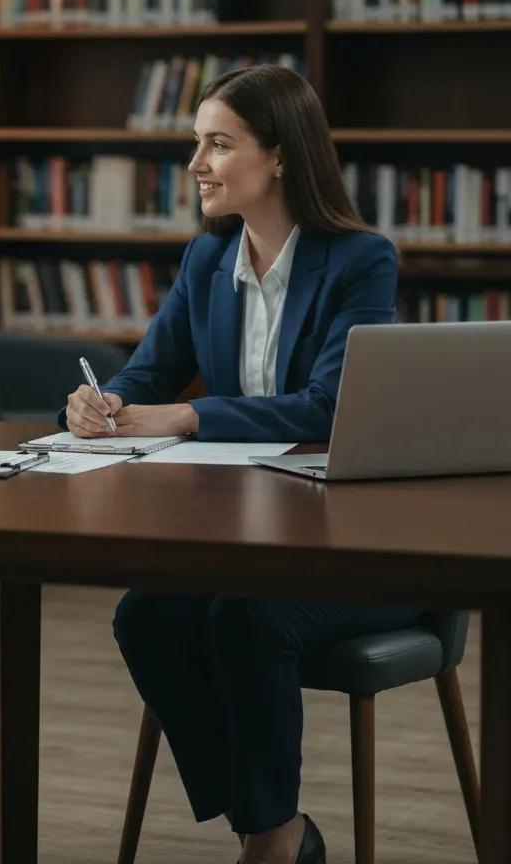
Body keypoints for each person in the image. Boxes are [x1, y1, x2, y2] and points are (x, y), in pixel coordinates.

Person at [64, 64, 419, 864]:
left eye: (218, 145)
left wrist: (191, 415)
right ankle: (277, 828)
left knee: (245, 618)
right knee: (144, 614)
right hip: (249, 538)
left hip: (356, 545)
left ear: (281, 156)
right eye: (196, 143)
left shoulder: (361, 260)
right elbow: (146, 373)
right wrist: (99, 403)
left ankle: (268, 839)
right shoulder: (205, 259)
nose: (196, 165)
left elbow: (327, 407)